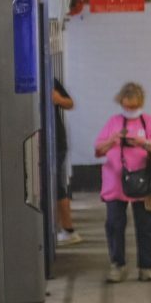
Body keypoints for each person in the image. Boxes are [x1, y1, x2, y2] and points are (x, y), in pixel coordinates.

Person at [95, 82, 151, 283]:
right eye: (127, 107)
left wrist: (143, 143)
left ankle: (147, 266)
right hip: (115, 183)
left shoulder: (150, 123)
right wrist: (113, 140)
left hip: (144, 182)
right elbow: (99, 150)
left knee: (147, 225)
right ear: (121, 103)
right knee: (114, 224)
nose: (131, 111)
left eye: (134, 107)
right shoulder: (113, 123)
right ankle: (117, 264)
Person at [52, 77, 82, 245]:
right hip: (48, 142)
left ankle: (68, 229)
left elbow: (70, 103)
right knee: (55, 187)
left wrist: (58, 99)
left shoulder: (48, 78)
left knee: (57, 187)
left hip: (56, 142)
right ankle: (62, 229)